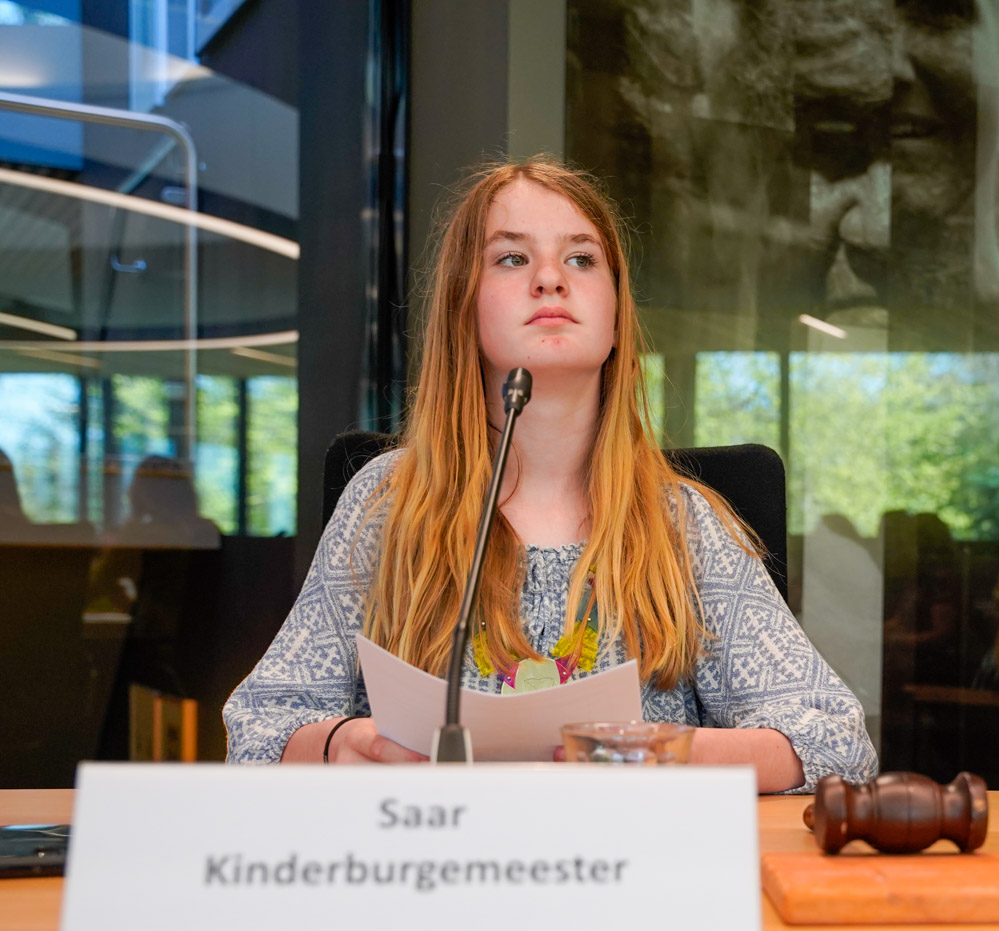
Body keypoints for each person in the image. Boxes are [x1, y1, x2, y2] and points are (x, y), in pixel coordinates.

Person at [224, 158, 877, 792]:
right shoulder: (386, 502)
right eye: (512, 258)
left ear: (617, 314)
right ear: (463, 306)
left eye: (581, 259)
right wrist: (340, 745)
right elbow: (257, 730)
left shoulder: (682, 525)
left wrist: (653, 753)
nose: (549, 279)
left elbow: (837, 744)